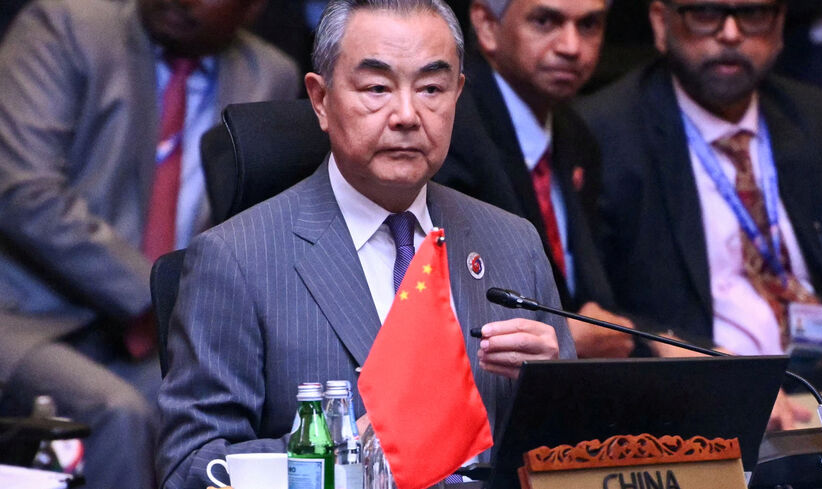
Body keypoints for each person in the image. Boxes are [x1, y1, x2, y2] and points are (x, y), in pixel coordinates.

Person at [157, 1, 575, 487]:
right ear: (320, 100)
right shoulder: (237, 259)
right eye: (377, 88)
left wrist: (554, 394)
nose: (406, 115)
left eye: (431, 89)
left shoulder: (512, 243)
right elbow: (191, 465)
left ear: (457, 95)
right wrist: (340, 453)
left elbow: (574, 453)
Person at [0, 0, 298, 486]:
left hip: (160, 337)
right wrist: (161, 296)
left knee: (234, 410)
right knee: (122, 414)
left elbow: (257, 228)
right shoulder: (65, 27)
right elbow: (22, 192)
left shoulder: (269, 76)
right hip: (28, 314)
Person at [578, 0, 822, 428]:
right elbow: (598, 314)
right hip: (698, 398)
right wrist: (723, 380)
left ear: (780, 24)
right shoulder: (603, 136)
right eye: (706, 13)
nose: (731, 34)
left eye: (752, 14)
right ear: (661, 23)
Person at [433, 0, 642, 359]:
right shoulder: (449, 133)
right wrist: (564, 340)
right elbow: (443, 311)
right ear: (486, 25)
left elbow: (595, 308)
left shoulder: (576, 135)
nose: (571, 47)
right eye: (545, 21)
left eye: (589, 25)